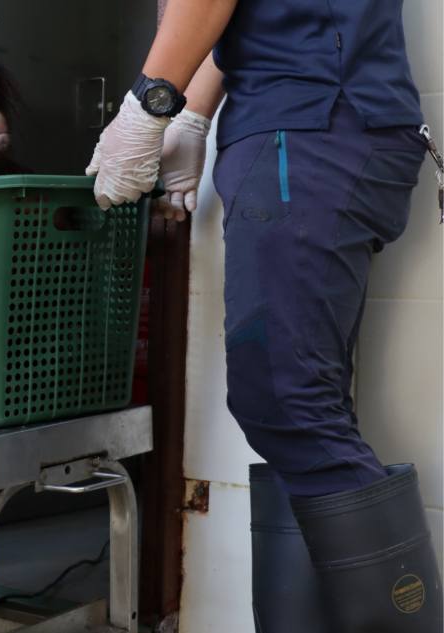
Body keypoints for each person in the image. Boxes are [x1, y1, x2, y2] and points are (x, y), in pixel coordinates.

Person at [87, 0, 443, 631]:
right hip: (322, 124)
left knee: (285, 400)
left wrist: (148, 104)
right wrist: (193, 116)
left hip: (308, 127)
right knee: (307, 409)